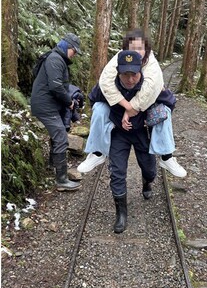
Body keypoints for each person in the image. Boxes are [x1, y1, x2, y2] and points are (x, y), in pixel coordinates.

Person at [77, 29, 186, 177]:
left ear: (146, 49)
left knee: (163, 112)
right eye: (132, 48)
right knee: (99, 109)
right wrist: (127, 107)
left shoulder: (152, 66)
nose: (137, 52)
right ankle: (97, 152)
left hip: (145, 109)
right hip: (120, 109)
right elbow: (106, 82)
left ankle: (166, 156)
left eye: (140, 48)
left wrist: (130, 109)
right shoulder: (117, 60)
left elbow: (148, 91)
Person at [89, 50, 176, 233]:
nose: (130, 79)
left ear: (140, 72)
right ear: (118, 72)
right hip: (118, 134)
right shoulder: (109, 86)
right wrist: (108, 116)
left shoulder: (149, 86)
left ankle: (147, 180)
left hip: (141, 133)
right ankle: (121, 213)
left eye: (134, 74)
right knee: (117, 171)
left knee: (149, 168)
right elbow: (93, 99)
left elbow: (170, 101)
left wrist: (153, 115)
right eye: (125, 74)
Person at [30, 33, 82, 191]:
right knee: (61, 137)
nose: (74, 55)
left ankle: (53, 165)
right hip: (46, 106)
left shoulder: (57, 59)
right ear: (67, 47)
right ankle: (61, 180)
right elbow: (56, 86)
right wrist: (69, 102)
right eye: (74, 51)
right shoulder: (55, 59)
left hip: (48, 104)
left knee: (57, 134)